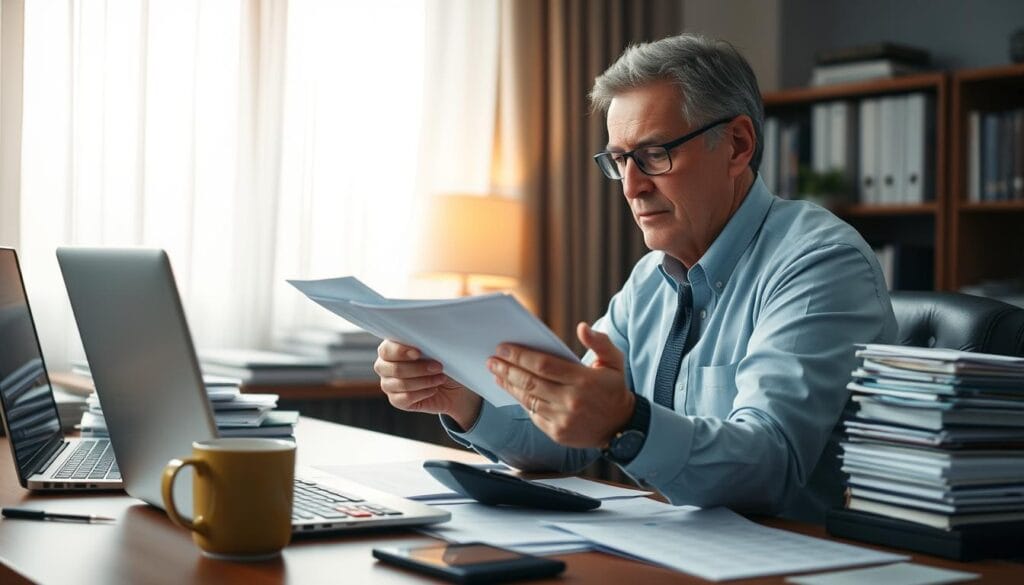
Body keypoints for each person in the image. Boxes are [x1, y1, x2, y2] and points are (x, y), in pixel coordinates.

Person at [374, 34, 897, 522]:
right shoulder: (650, 280)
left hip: (795, 560)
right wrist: (461, 398)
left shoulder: (819, 262)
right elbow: (569, 437)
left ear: (737, 145)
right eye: (620, 160)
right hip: (680, 550)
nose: (631, 187)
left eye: (653, 154)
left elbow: (769, 464)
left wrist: (627, 423)